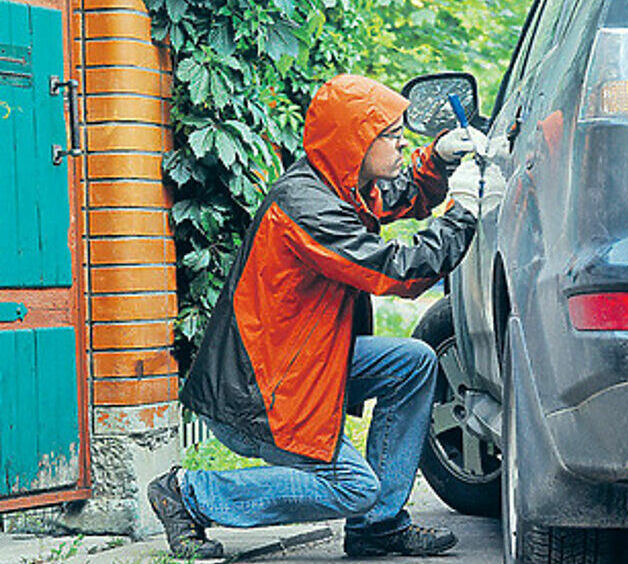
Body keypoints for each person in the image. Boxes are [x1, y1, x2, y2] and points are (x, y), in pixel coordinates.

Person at [147, 74, 485, 559]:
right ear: (355, 141)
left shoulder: (342, 183)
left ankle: (377, 527)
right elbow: (397, 273)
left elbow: (400, 193)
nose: (401, 141)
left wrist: (439, 158)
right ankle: (190, 493)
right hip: (263, 391)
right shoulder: (305, 207)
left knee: (413, 363)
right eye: (391, 134)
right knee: (352, 488)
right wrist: (462, 214)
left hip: (302, 363)